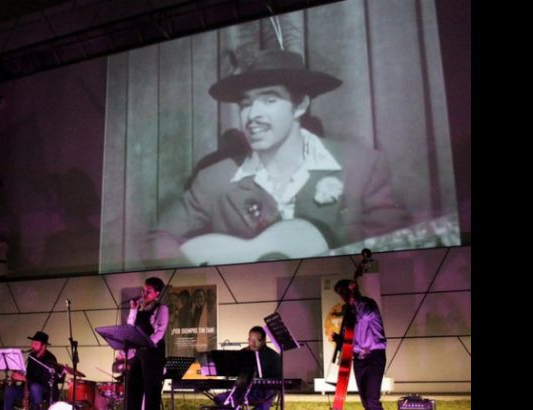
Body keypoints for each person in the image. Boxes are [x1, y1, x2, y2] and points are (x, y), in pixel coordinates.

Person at [145, 47, 409, 266]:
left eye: (269, 100)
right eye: (245, 104)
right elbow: (158, 239)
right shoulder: (215, 179)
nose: (252, 115)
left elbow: (391, 260)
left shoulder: (362, 167)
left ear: (300, 105)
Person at [333, 278, 388, 410]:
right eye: (340, 293)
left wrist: (353, 300)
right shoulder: (350, 310)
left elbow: (366, 316)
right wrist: (341, 340)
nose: (342, 296)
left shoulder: (367, 304)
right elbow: (351, 338)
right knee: (366, 402)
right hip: (359, 359)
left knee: (372, 400)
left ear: (352, 289)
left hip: (374, 356)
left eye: (343, 292)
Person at [115, 276, 169, 410]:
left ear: (157, 293)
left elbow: (159, 332)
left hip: (153, 355)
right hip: (138, 355)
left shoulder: (161, 309)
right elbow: (130, 328)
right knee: (133, 390)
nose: (144, 294)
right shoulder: (138, 309)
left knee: (151, 394)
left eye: (148, 291)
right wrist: (133, 309)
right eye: (143, 290)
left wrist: (145, 344)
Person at [212, 326, 281, 410]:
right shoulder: (244, 353)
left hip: (264, 391)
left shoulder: (273, 356)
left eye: (255, 340)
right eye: (250, 340)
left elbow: (278, 380)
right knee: (220, 399)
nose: (251, 343)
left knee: (264, 400)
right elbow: (235, 372)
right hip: (244, 391)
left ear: (263, 340)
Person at [2, 331, 59, 410]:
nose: (32, 345)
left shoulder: (50, 358)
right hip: (30, 388)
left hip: (45, 391)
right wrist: (20, 375)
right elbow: (30, 375)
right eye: (32, 343)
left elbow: (44, 380)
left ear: (43, 346)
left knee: (35, 387)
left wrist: (24, 378)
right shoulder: (32, 356)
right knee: (9, 390)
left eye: (35, 344)